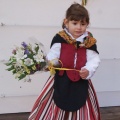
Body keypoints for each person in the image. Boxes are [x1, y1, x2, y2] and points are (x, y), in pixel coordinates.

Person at [28, 3, 101, 120]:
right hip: (61, 79)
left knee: (81, 104)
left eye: (83, 24)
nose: (79, 27)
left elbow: (94, 60)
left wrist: (88, 70)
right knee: (56, 103)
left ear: (87, 24)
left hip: (81, 81)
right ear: (66, 22)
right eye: (75, 23)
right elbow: (53, 56)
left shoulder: (89, 42)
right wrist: (47, 64)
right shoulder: (60, 39)